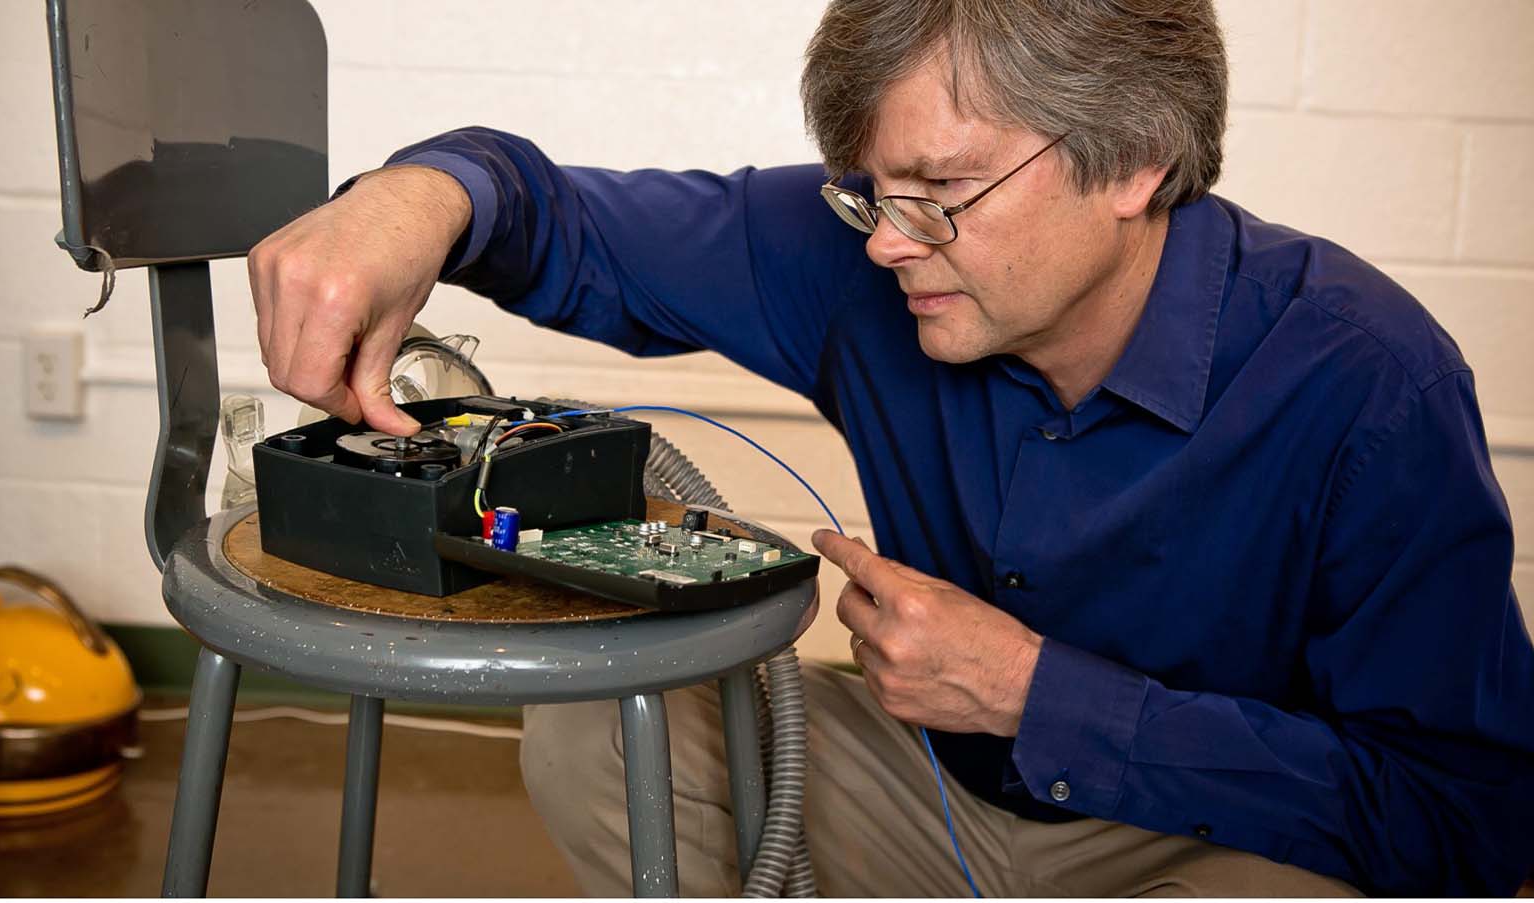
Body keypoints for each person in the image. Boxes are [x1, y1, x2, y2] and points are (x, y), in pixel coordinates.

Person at [246, 0, 1534, 895]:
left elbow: (1468, 818)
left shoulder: (1368, 381)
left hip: (1214, 840)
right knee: (598, 739)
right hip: (936, 792)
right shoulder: (863, 253)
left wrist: (1042, 697)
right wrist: (414, 200)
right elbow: (560, 217)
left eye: (941, 197)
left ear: (1137, 156)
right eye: (869, 193)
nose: (883, 244)